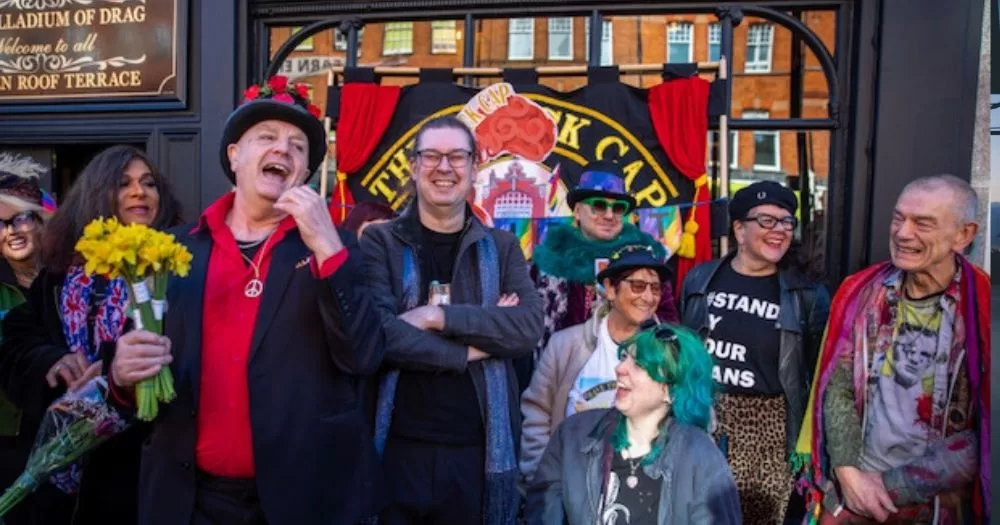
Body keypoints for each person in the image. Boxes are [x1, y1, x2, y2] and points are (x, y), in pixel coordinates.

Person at [107, 76, 387, 525]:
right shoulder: (174, 251)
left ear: (306, 172)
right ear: (235, 156)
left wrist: (327, 247)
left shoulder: (337, 248)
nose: (284, 150)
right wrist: (122, 376)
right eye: (267, 138)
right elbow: (136, 373)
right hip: (190, 500)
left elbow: (364, 357)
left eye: (298, 146)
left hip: (302, 499)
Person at [361, 115, 543, 525]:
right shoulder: (381, 241)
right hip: (397, 449)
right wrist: (471, 349)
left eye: (457, 157)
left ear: (474, 168)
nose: (444, 167)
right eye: (432, 156)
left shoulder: (502, 245)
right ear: (413, 166)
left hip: (478, 455)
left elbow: (527, 328)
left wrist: (434, 315)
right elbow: (380, 335)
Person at [0, 145, 182, 525]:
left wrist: (116, 372)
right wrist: (52, 359)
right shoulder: (57, 276)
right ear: (97, 193)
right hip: (57, 467)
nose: (139, 192)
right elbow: (17, 339)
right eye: (123, 183)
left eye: (149, 184)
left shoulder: (174, 273)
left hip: (136, 469)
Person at [795, 175, 990, 525]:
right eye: (899, 218)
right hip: (850, 495)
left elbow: (987, 434)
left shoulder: (985, 310)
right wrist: (849, 475)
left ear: (964, 235)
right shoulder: (860, 292)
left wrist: (886, 488)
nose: (902, 233)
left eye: (923, 223)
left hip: (934, 507)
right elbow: (836, 388)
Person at [677, 180, 830, 524]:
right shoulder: (700, 280)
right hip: (702, 420)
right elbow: (683, 356)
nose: (779, 230)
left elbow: (821, 375)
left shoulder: (806, 295)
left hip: (769, 434)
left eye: (786, 221)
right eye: (766, 221)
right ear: (739, 230)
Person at [525, 322, 741, 525]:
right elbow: (543, 513)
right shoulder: (572, 435)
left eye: (638, 364)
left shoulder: (701, 458)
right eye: (624, 357)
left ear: (670, 391)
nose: (620, 368)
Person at [520, 243, 671, 481]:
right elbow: (537, 414)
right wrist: (543, 479)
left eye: (655, 288)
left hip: (643, 490)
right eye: (638, 286)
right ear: (610, 289)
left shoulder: (668, 350)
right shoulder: (566, 346)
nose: (648, 297)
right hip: (572, 485)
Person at [530, 161, 677, 364]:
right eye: (599, 205)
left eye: (617, 208)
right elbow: (530, 330)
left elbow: (668, 325)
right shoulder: (550, 261)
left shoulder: (647, 259)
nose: (609, 215)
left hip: (632, 369)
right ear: (577, 211)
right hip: (564, 370)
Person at [0, 153, 52, 525]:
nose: (10, 231)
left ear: (41, 221)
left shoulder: (69, 280)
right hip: (7, 437)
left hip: (66, 431)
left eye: (20, 218)